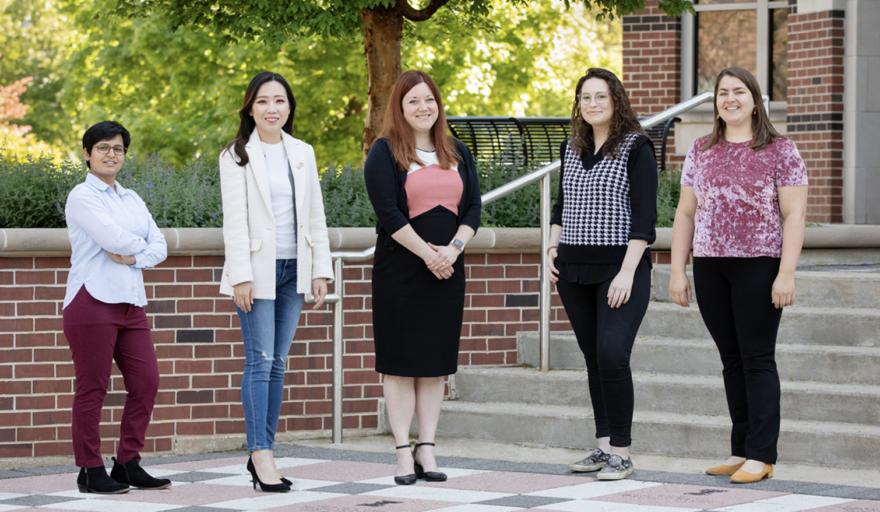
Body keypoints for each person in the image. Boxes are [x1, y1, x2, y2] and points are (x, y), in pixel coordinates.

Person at [668, 67, 808, 484]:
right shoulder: (701, 149)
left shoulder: (780, 149)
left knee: (757, 358)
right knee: (731, 360)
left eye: (739, 91)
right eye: (722, 92)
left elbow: (794, 214)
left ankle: (762, 454)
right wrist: (678, 270)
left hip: (759, 263)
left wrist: (786, 273)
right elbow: (685, 213)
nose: (730, 98)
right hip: (710, 263)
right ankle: (740, 448)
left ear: (755, 99)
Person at [364, 70, 481, 485]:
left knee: (434, 365)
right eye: (412, 100)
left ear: (438, 104)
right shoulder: (384, 152)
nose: (422, 107)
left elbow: (473, 211)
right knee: (399, 365)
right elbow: (389, 215)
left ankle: (427, 448)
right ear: (399, 107)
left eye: (428, 99)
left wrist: (452, 250)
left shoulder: (457, 151)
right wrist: (428, 255)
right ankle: (401, 451)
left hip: (448, 270)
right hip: (400, 271)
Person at [219, 71, 333, 493]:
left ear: (290, 107)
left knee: (279, 362)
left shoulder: (302, 151)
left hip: (294, 269)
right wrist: (240, 276)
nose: (272, 108)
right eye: (264, 101)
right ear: (250, 107)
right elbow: (234, 221)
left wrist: (321, 268)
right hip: (257, 271)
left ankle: (265, 450)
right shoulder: (236, 155)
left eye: (280, 101)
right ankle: (260, 453)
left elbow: (315, 215)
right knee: (260, 359)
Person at [547, 68, 657, 481]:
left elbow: (645, 220)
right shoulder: (570, 146)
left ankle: (622, 453)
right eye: (585, 97)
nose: (592, 104)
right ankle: (603, 444)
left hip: (620, 268)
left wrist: (627, 273)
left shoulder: (636, 147)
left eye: (601, 96)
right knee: (594, 358)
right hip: (574, 269)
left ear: (616, 101)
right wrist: (552, 246)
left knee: (613, 354)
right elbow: (563, 204)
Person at [63, 121, 171, 494]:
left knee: (146, 382)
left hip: (130, 303)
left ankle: (127, 462)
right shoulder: (82, 196)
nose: (112, 154)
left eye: (119, 149)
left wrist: (133, 256)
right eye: (104, 147)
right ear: (87, 154)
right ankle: (90, 469)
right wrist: (139, 247)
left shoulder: (132, 198)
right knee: (92, 388)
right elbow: (110, 237)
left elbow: (160, 245)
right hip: (91, 301)